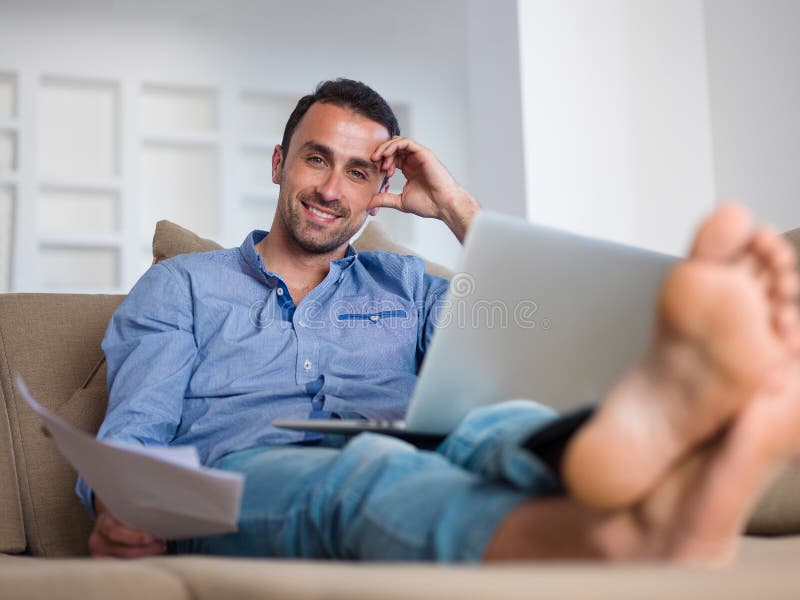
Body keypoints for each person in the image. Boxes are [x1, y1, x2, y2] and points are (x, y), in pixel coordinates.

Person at [78, 78, 800, 564]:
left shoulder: (409, 283)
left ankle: (651, 467)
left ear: (382, 187)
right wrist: (123, 506)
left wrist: (455, 208)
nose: (332, 189)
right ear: (279, 163)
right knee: (368, 471)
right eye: (316, 160)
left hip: (422, 449)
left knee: (497, 425)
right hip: (241, 482)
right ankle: (627, 534)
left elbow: (536, 335)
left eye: (358, 172)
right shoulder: (183, 287)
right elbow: (132, 440)